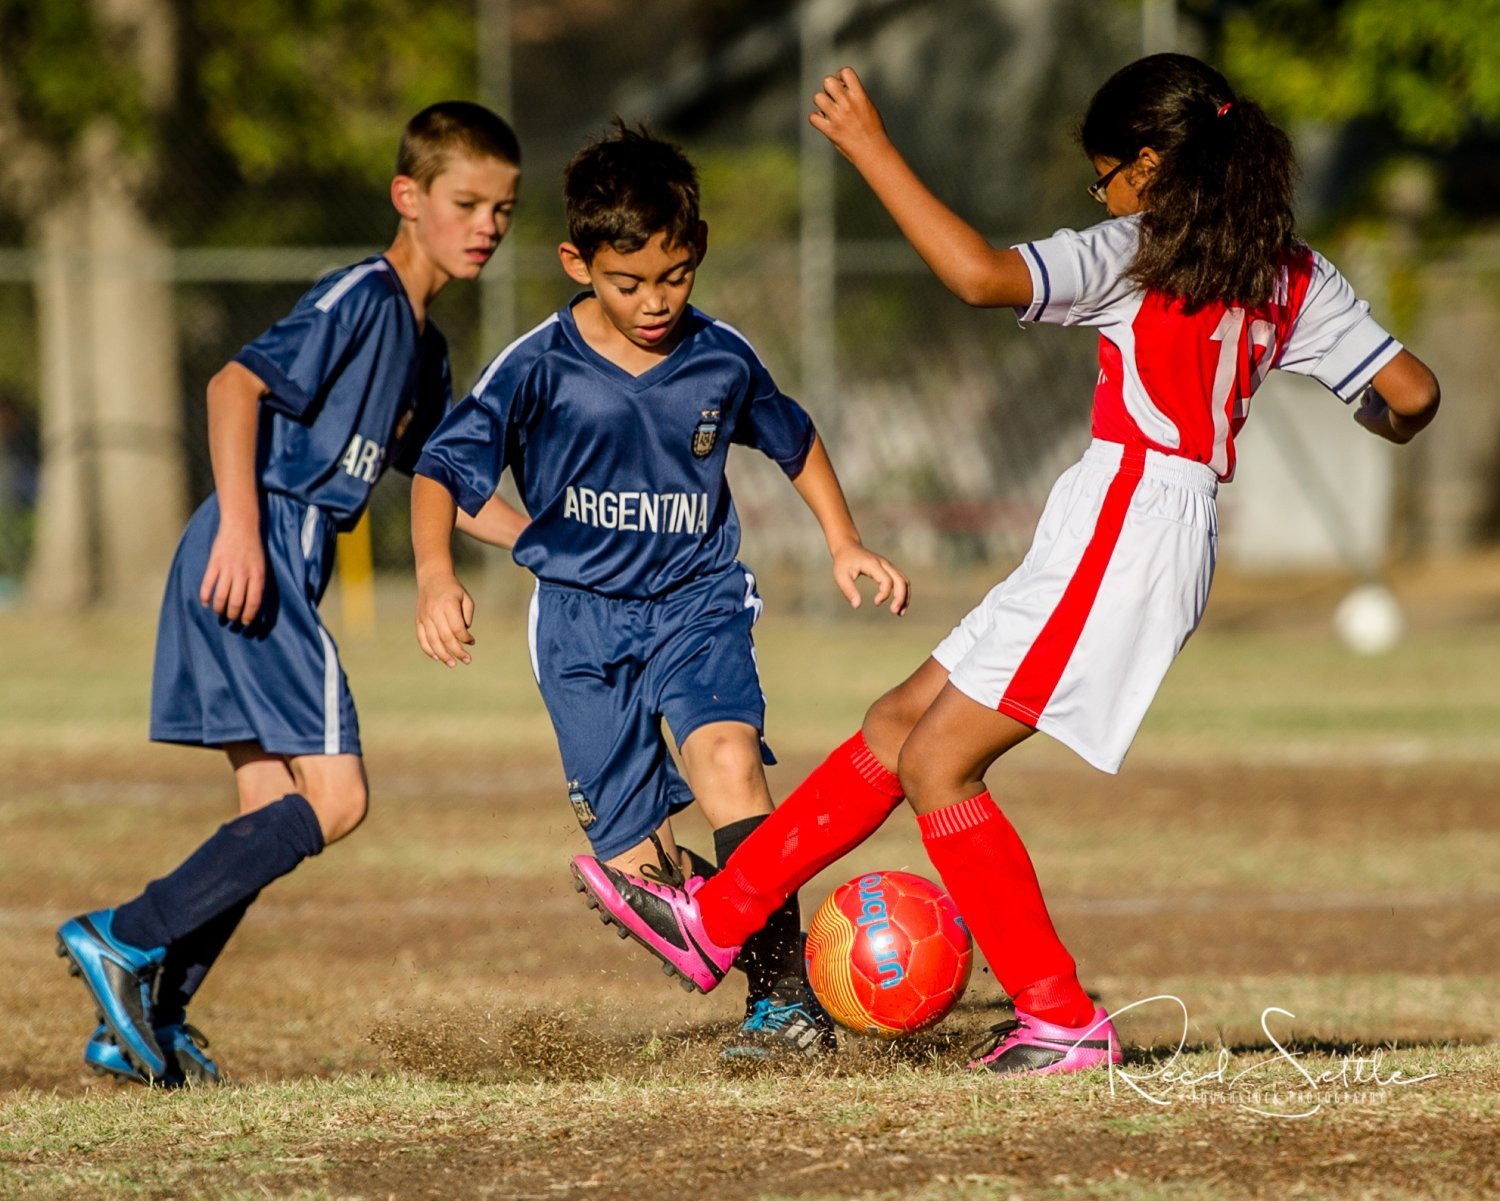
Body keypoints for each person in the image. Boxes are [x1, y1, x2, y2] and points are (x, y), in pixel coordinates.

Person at [568, 55, 1441, 1076]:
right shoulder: (1291, 271)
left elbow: (979, 275)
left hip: (1129, 523)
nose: (1101, 191)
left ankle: (1060, 1013)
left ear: (1151, 165)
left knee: (939, 761)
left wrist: (870, 147)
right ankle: (719, 915)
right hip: (1134, 521)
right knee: (900, 721)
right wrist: (1371, 414)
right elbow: (1412, 395)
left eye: (1108, 171)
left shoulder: (1137, 251)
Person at [410, 121, 908, 1059]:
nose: (653, 302)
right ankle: (700, 914)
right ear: (576, 261)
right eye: (627, 282)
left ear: (699, 252)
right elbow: (443, 470)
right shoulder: (538, 365)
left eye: (673, 278)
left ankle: (785, 1004)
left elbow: (794, 441)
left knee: (728, 758)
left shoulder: (721, 356)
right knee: (634, 869)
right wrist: (438, 574)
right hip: (580, 625)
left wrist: (844, 542)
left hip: (698, 598)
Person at [56, 101, 529, 1088]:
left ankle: (148, 1006)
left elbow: (445, 477)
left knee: (268, 802)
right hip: (257, 539)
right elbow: (235, 386)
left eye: (503, 208)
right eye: (466, 201)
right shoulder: (363, 294)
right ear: (409, 198)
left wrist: (558, 545)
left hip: (262, 547)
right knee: (338, 797)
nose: (486, 224)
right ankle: (123, 934)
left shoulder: (426, 350)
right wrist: (241, 525)